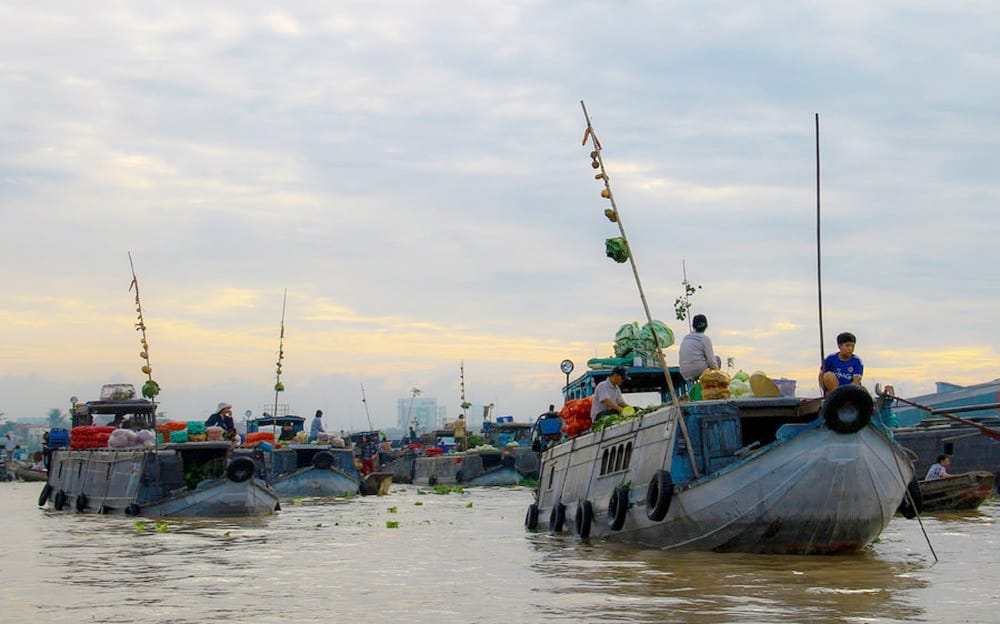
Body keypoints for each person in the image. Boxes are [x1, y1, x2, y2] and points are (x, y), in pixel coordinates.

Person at [678, 314, 721, 383]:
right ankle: (713, 386)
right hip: (698, 370)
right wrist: (718, 374)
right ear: (706, 326)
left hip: (684, 371)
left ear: (693, 326)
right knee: (717, 359)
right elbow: (711, 360)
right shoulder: (704, 339)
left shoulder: (686, 338)